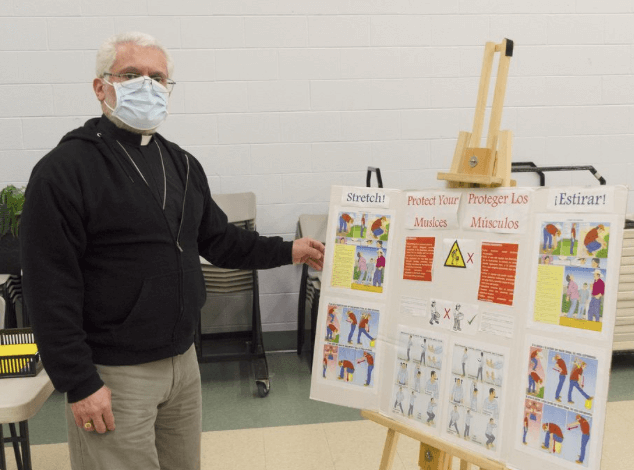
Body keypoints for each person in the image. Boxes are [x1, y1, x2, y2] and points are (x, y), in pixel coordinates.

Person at [20, 32, 325, 470]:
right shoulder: (64, 171)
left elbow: (219, 239)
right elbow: (49, 288)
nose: (147, 86)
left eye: (157, 78)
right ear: (100, 87)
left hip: (183, 363)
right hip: (114, 373)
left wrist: (288, 249)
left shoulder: (180, 163)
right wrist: (80, 383)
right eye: (131, 75)